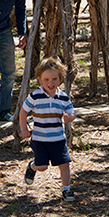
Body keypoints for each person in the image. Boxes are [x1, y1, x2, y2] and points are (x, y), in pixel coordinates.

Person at [19, 57, 76, 202]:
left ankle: (66, 190)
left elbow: (71, 112)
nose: (50, 83)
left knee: (64, 164)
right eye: (46, 80)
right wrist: (24, 129)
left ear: (60, 78)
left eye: (54, 79)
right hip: (40, 139)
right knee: (42, 166)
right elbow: (23, 111)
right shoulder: (35, 96)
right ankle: (32, 167)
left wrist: (69, 117)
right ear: (39, 79)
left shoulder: (63, 97)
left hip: (58, 138)